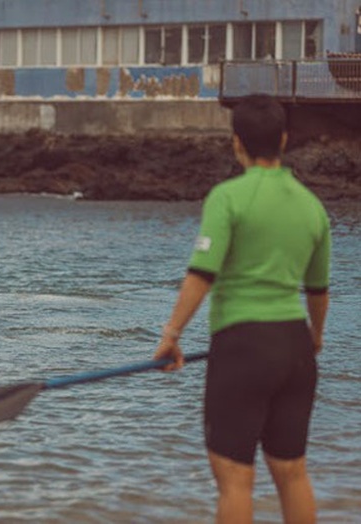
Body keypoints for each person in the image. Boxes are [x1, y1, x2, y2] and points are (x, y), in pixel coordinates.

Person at [153, 94, 330, 524]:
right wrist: (315, 338)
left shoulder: (228, 197)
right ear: (283, 140)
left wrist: (171, 336)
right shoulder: (312, 206)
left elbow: (201, 274)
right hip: (295, 349)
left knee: (235, 480)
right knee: (292, 474)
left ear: (237, 144)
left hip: (243, 347)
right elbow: (318, 290)